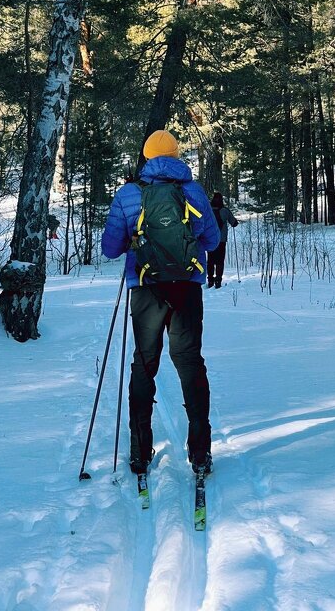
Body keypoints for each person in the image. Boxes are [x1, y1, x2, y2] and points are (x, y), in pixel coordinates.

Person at [101, 130, 220, 476]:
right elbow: (212, 241)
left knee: (143, 364)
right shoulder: (193, 191)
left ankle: (139, 451)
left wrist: (135, 239)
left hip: (146, 289)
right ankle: (200, 452)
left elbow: (110, 248)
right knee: (190, 364)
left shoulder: (128, 194)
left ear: (147, 157)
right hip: (186, 289)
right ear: (176, 156)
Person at [207, 192, 238, 288]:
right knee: (220, 260)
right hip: (221, 240)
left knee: (210, 260)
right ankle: (218, 280)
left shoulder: (208, 210)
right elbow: (234, 223)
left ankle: (210, 280)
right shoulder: (225, 211)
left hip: (210, 239)